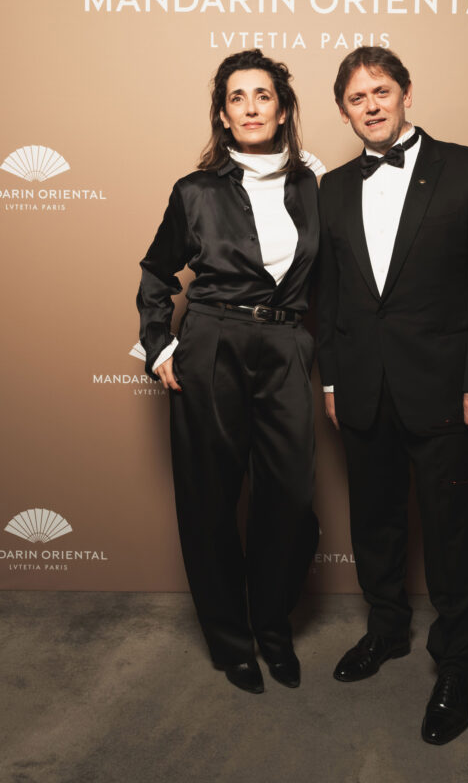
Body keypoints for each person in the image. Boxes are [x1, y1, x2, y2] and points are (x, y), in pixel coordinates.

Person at [317, 47, 468, 744]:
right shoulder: (331, 189)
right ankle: (386, 630)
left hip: (444, 388)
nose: (370, 105)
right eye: (356, 98)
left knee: (450, 531)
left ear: (406, 93)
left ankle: (456, 665)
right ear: (343, 111)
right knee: (374, 523)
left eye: (381, 91)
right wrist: (333, 379)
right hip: (363, 386)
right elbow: (329, 296)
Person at [136, 49, 322, 694]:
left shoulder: (314, 186)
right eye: (237, 97)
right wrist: (159, 346)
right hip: (212, 340)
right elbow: (157, 273)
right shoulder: (194, 191)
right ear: (222, 114)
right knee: (210, 499)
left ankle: (272, 627)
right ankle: (230, 640)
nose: (250, 107)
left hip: (287, 344)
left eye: (263, 95)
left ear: (283, 108)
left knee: (290, 501)